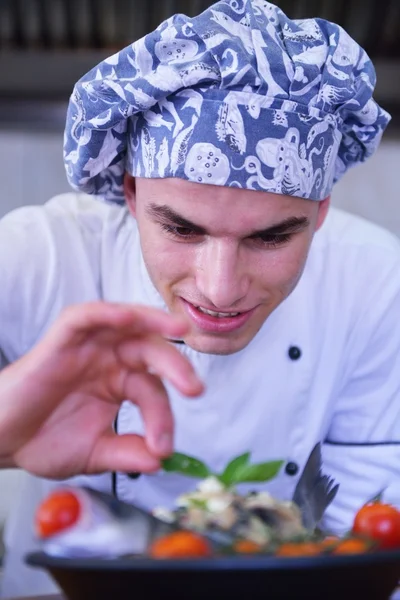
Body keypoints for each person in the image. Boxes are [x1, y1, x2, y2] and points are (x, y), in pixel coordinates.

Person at [0, 0, 399, 595]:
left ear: (319, 214)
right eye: (182, 229)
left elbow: (361, 542)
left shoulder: (375, 283)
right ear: (131, 193)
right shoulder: (38, 257)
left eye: (271, 236)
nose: (219, 289)